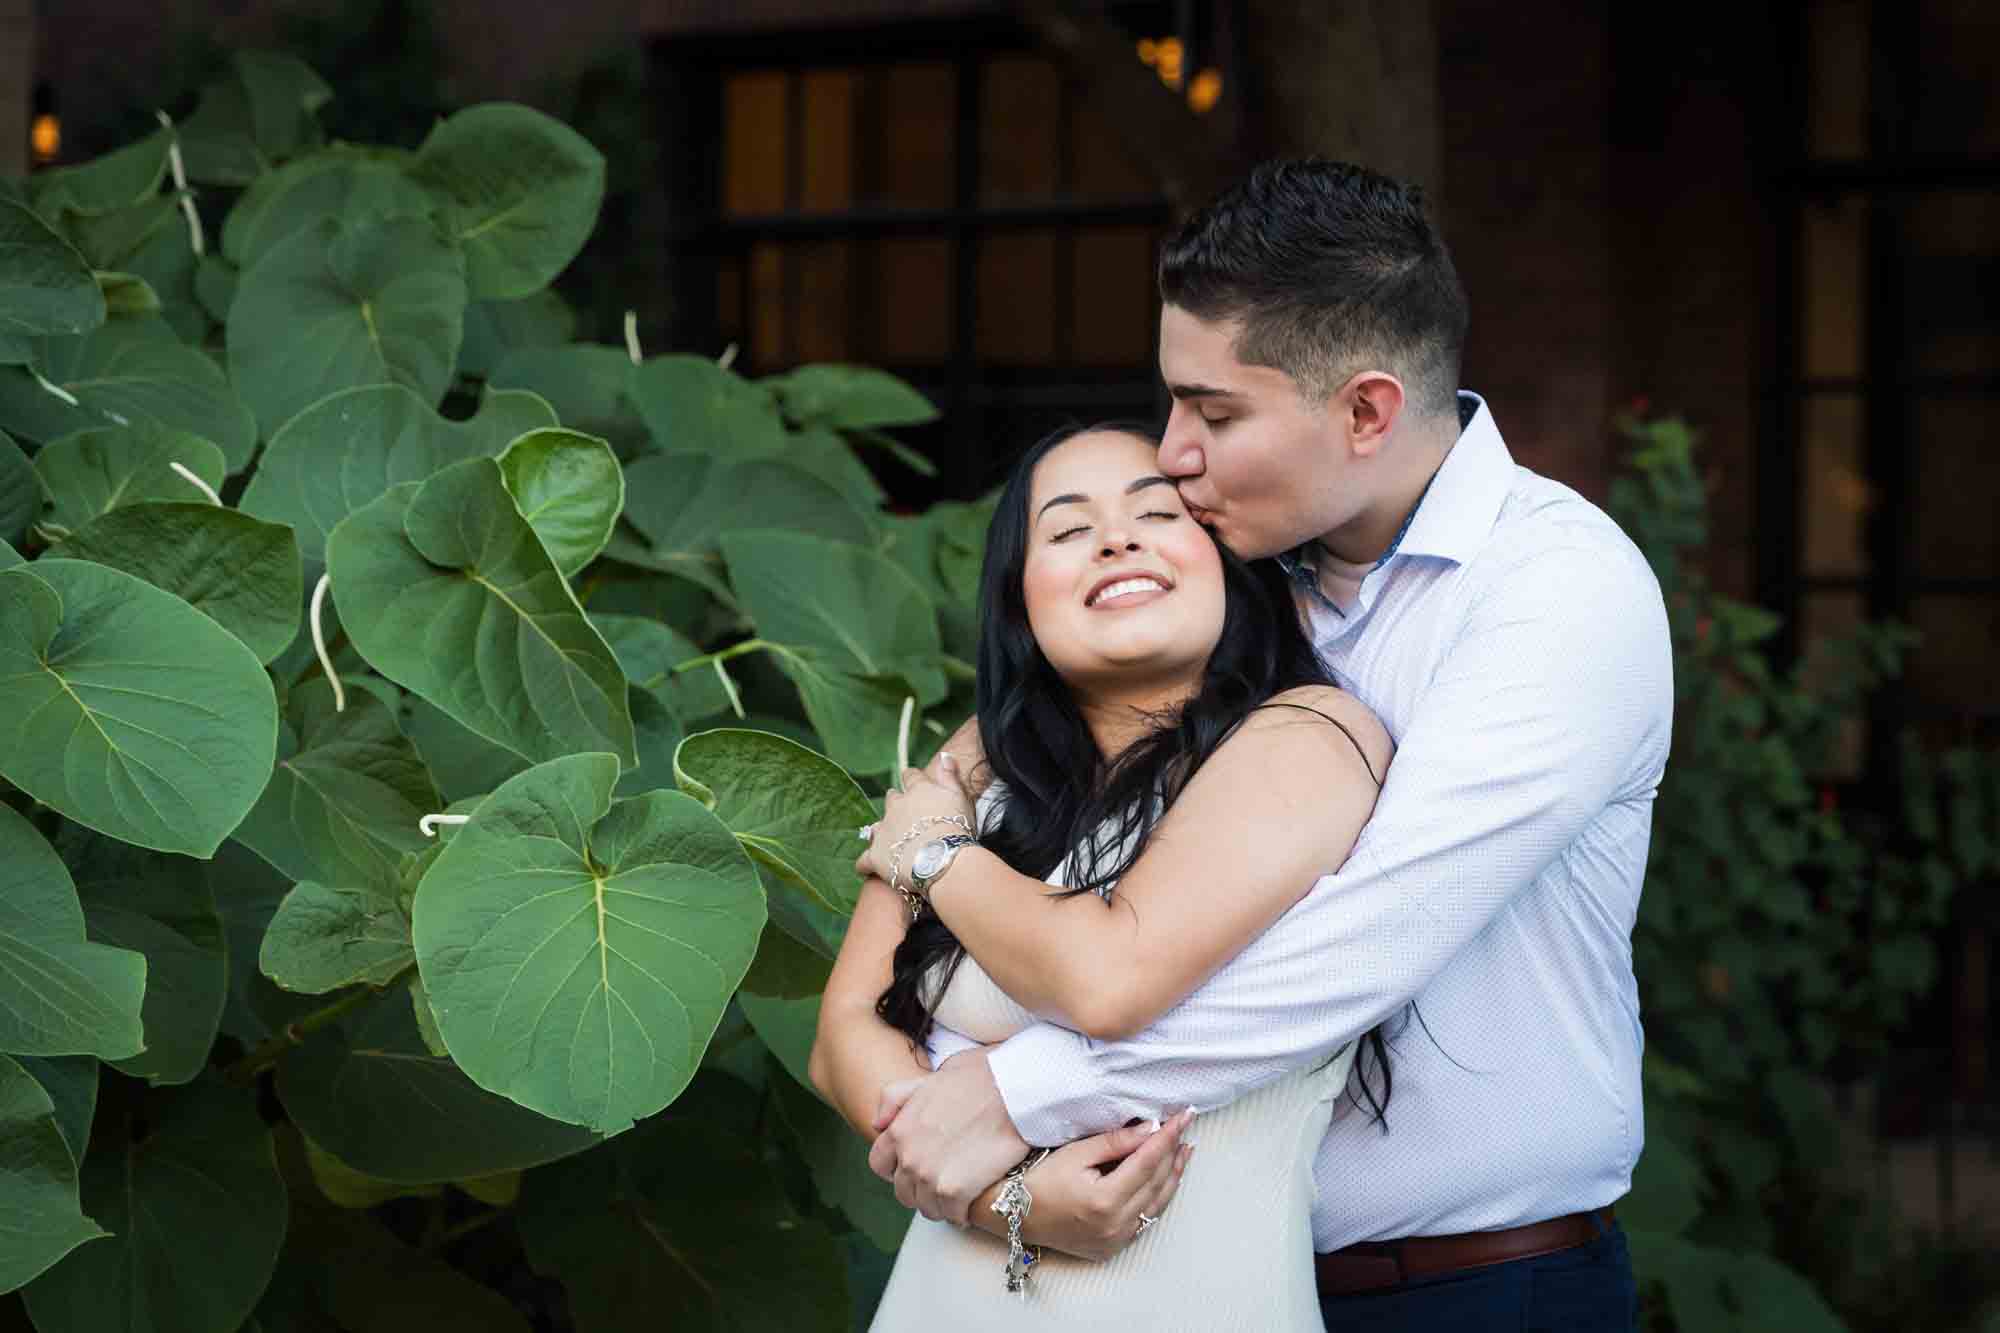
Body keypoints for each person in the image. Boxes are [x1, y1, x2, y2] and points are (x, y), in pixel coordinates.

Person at [822, 159, 1673, 1331]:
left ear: (1365, 410)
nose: (1168, 454)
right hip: (1177, 1268)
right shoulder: (1229, 580)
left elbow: (1360, 942)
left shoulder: (1553, 593)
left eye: (1214, 414)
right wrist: (1005, 1185)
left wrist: (1017, 1101)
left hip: (1467, 1282)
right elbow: (953, 827)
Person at [813, 421, 1394, 1330]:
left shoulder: (1311, 737)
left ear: (1227, 562)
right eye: (1068, 528)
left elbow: (1105, 975)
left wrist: (931, 858)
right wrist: (1006, 1194)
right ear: (1020, 601)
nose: (1117, 539)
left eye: (1157, 512)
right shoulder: (979, 768)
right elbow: (845, 1029)